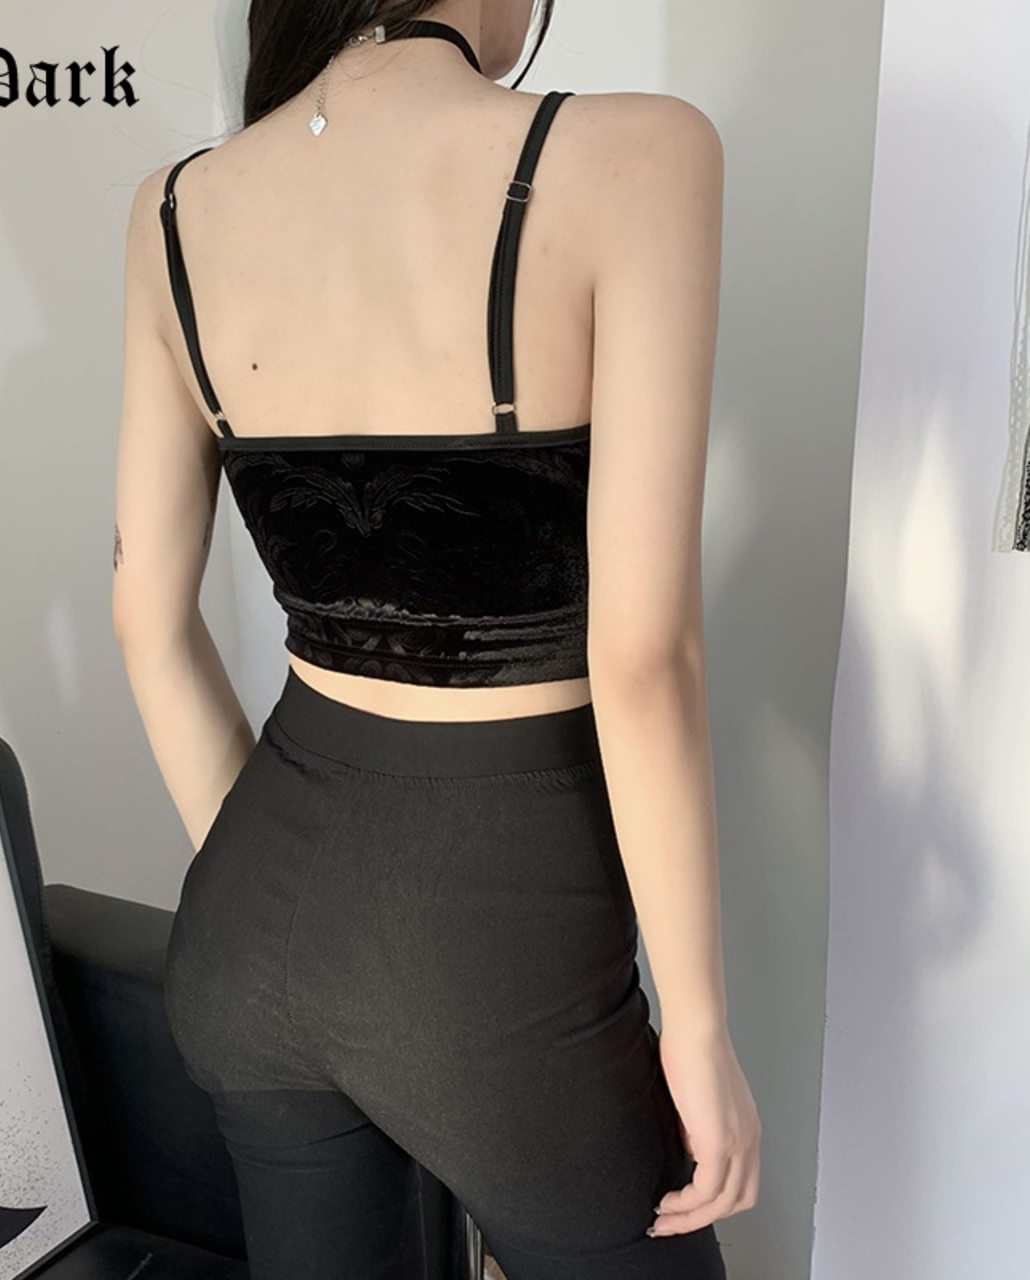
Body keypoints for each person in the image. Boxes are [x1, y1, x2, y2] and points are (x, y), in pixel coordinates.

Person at [111, 1, 760, 1275]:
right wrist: (696, 1031)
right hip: (490, 956)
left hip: (248, 929)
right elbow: (642, 662)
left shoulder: (173, 208)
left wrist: (291, 908)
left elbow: (145, 613)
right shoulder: (639, 153)